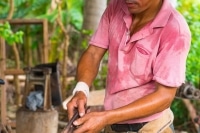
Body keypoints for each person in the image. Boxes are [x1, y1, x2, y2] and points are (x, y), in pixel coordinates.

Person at [64, 0, 191, 132]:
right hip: (112, 123)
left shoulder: (175, 30)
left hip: (151, 127)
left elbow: (164, 97)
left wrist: (106, 118)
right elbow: (93, 53)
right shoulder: (116, 7)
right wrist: (81, 89)